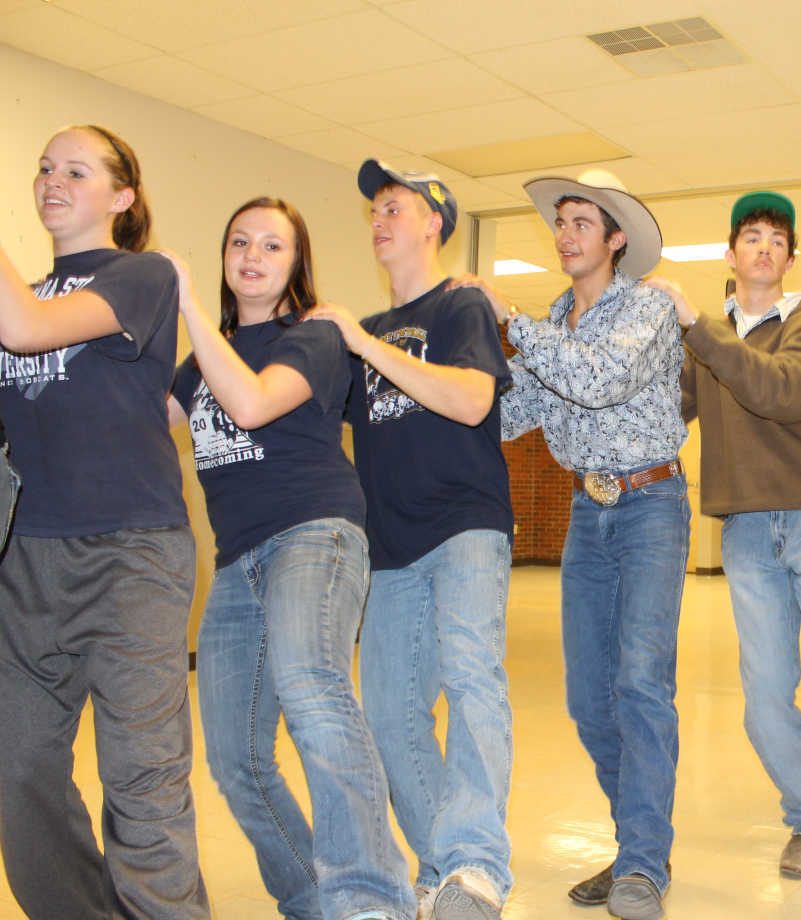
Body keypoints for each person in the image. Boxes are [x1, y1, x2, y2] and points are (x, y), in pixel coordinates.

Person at [167, 197, 414, 920]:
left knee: (312, 689)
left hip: (315, 535)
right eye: (239, 241)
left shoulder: (311, 339)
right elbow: (139, 422)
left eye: (272, 246)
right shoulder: (198, 359)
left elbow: (247, 404)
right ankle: (311, 901)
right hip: (237, 559)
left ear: (296, 265)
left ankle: (371, 901)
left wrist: (184, 310)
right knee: (236, 760)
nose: (252, 256)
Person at [647, 191, 801, 893]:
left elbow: (782, 391)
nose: (763, 248)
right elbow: (669, 411)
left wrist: (697, 328)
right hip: (749, 531)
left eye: (776, 240)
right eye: (750, 237)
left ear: (790, 258)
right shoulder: (705, 340)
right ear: (730, 256)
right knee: (765, 698)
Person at [465, 169, 687, 920]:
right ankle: (636, 849)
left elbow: (597, 379)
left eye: (581, 223)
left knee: (642, 688)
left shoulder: (649, 309)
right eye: (560, 223)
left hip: (652, 504)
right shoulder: (558, 319)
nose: (565, 234)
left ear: (616, 239)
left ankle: (644, 865)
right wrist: (427, 394)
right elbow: (510, 412)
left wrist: (510, 320)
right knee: (590, 699)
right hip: (587, 514)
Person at [0, 125, 210, 917]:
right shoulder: (20, 291)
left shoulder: (142, 274)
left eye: (76, 171)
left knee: (142, 779)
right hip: (26, 562)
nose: (52, 180)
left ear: (122, 196)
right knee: (17, 772)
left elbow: (24, 331)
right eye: (45, 168)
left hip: (132, 555)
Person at [306, 161, 515, 920]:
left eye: (394, 206)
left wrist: (364, 345)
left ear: (434, 221)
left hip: (464, 527)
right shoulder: (363, 338)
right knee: (389, 714)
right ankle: (447, 874)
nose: (380, 220)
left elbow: (470, 399)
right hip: (387, 547)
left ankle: (478, 864)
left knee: (471, 681)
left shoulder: (458, 306)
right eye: (373, 211)